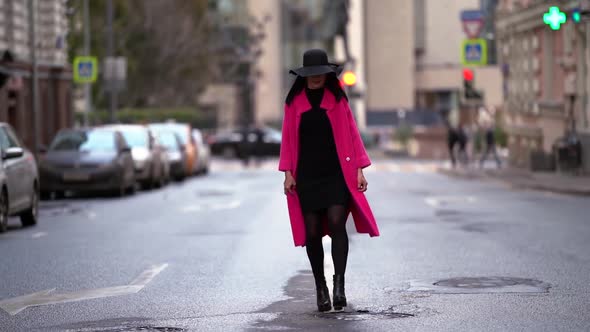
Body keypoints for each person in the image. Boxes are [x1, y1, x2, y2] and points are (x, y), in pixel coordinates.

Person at [279, 49, 380, 312]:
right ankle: (320, 287)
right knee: (311, 231)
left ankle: (339, 286)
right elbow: (288, 139)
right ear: (304, 76)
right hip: (307, 175)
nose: (315, 78)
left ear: (327, 75)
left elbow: (352, 133)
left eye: (320, 74)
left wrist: (359, 168)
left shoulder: (338, 101)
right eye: (310, 74)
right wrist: (288, 172)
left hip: (337, 172)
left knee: (337, 222)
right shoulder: (294, 103)